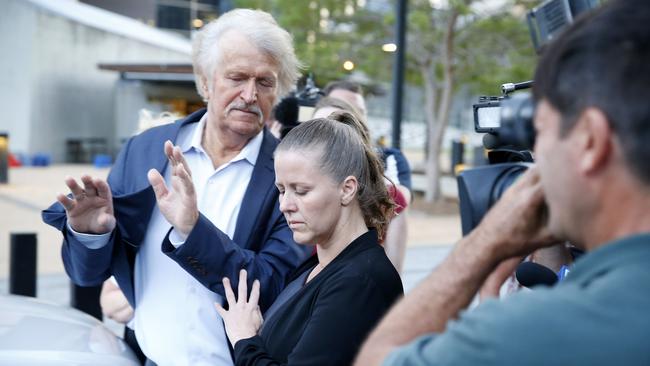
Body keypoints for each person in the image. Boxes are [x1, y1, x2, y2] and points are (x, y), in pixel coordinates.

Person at [356, 1, 650, 364]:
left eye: (539, 132)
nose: (536, 160)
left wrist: (484, 244)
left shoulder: (543, 330)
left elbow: (377, 358)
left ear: (589, 140)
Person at [42, 9, 311, 365]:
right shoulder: (145, 150)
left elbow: (270, 286)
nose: (249, 94)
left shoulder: (291, 174)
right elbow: (85, 274)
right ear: (204, 81)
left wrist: (192, 230)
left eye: (265, 82)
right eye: (237, 77)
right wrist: (91, 235)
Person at [212, 112, 404, 365]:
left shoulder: (359, 282)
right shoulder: (321, 265)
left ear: (347, 189)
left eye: (301, 191)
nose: (285, 205)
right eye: (281, 190)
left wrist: (244, 339)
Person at [318, 85, 413, 272]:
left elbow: (399, 200)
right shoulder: (287, 191)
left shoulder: (389, 172)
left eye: (359, 111)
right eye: (318, 128)